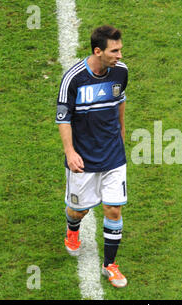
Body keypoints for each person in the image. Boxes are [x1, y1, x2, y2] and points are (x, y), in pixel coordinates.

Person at [56, 25, 128, 288]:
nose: (119, 55)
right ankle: (72, 230)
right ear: (98, 51)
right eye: (114, 50)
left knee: (113, 208)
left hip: (112, 155)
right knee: (78, 210)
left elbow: (120, 101)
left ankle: (110, 265)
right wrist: (70, 152)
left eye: (120, 49)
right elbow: (63, 119)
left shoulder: (121, 72)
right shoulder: (73, 79)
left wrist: (121, 132)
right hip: (83, 159)